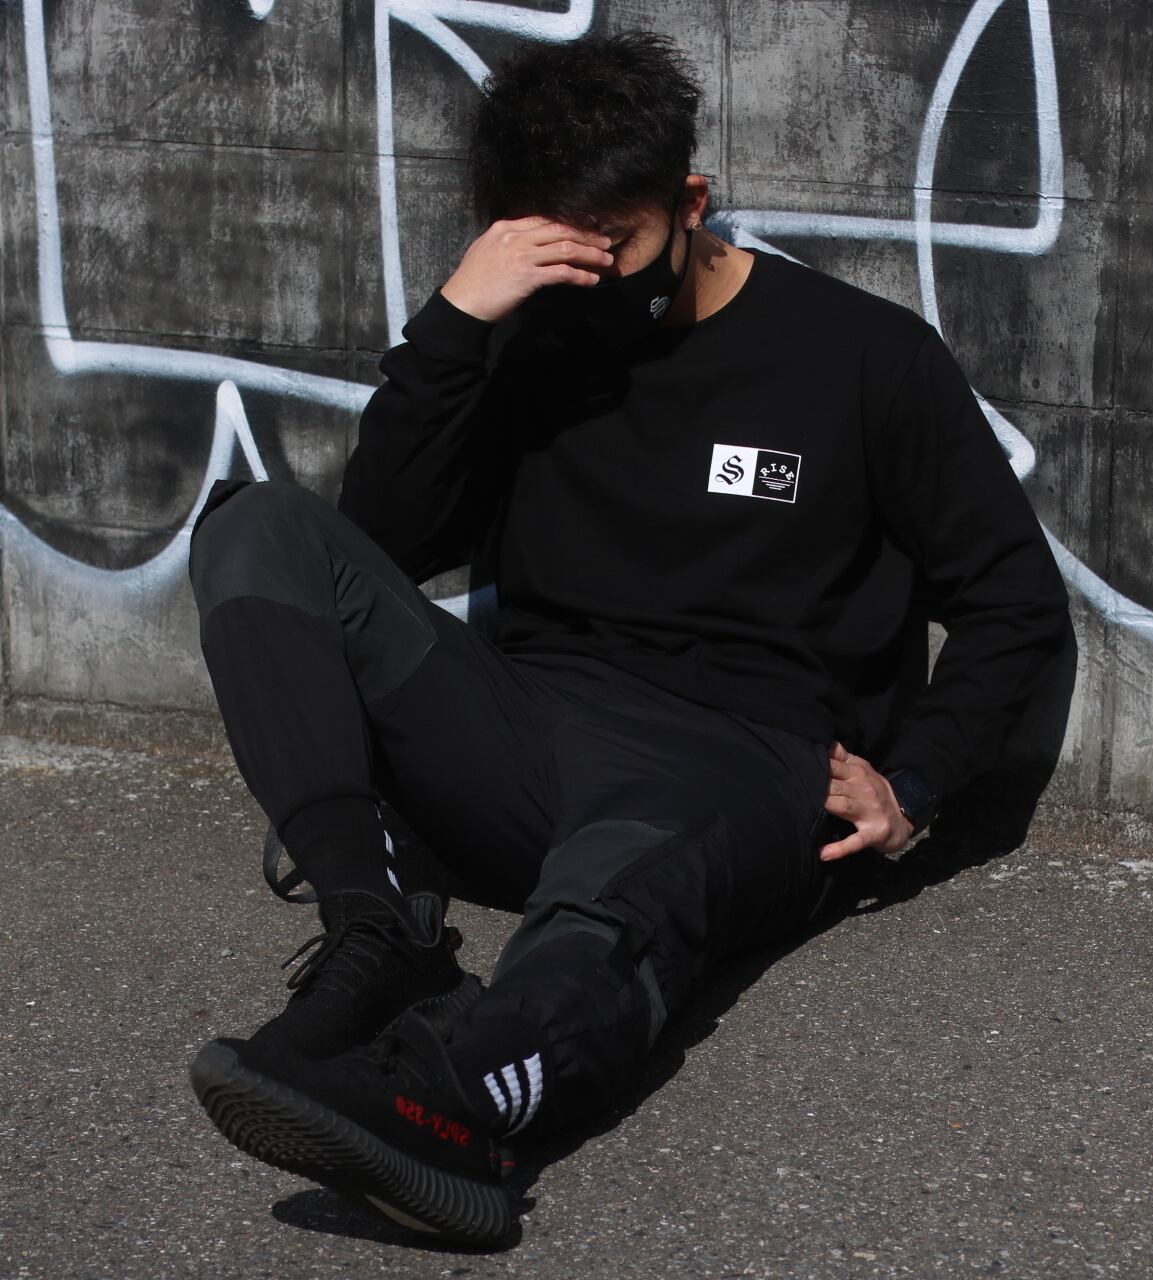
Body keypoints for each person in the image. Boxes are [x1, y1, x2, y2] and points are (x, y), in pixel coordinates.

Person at [185, 29, 1073, 1247]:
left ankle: (453, 1107)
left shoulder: (862, 358)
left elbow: (1013, 601)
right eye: (555, 246)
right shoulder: (522, 335)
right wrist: (454, 324)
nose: (591, 277)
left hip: (736, 756)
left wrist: (913, 780)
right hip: (524, 725)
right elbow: (375, 546)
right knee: (254, 526)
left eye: (617, 243)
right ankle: (376, 929)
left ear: (690, 202)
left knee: (605, 915)